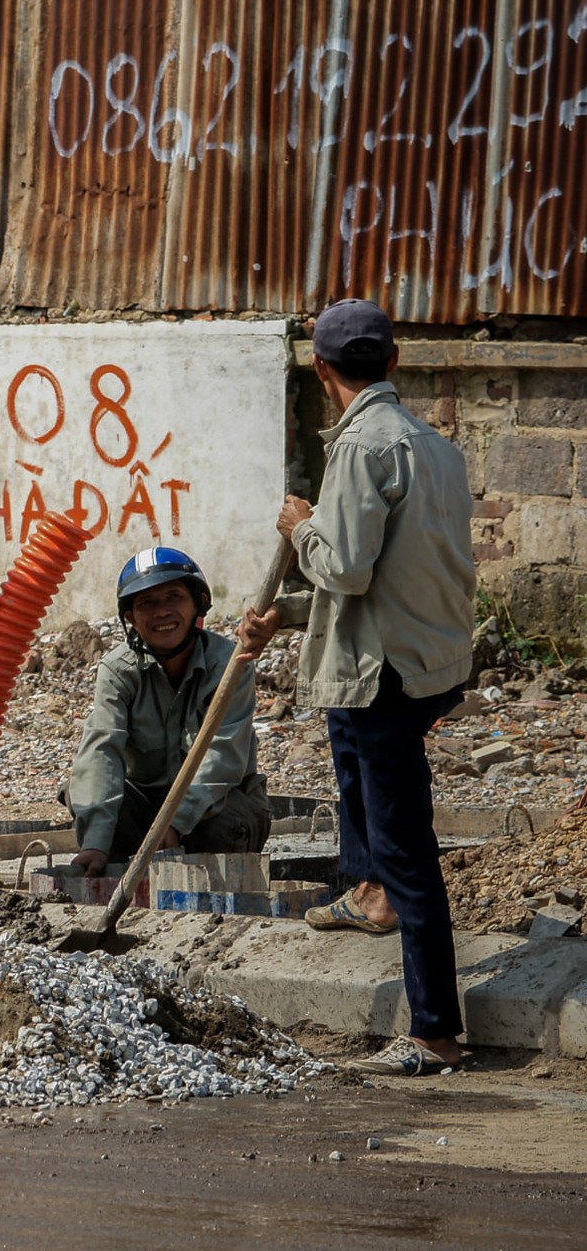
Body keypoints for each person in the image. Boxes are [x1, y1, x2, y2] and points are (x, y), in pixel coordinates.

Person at [257, 298, 476, 1076]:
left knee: (406, 841)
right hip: (424, 661)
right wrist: (282, 615)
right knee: (343, 734)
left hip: (387, 672)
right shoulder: (438, 449)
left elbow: (342, 566)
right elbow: (380, 573)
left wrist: (298, 525)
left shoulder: (362, 451)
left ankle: (436, 1031)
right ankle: (368, 889)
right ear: (393, 360)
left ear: (321, 371)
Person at [65, 548, 277, 877]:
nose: (162, 612)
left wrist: (175, 821)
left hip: (212, 806)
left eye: (174, 597)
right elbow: (102, 750)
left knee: (221, 822)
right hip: (146, 806)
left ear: (198, 603)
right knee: (90, 797)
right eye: (146, 603)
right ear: (131, 617)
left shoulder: (230, 664)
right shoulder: (118, 670)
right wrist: (95, 842)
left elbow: (223, 756)